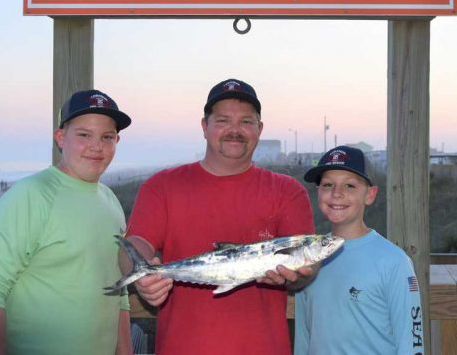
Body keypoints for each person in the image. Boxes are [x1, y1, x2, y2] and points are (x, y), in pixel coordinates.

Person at [123, 78, 315, 355]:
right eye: (223, 120)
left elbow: (308, 267)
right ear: (205, 126)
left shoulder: (288, 191)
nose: (235, 130)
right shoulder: (161, 186)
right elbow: (137, 242)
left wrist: (297, 275)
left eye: (246, 122)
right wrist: (140, 274)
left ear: (259, 129)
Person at [0, 89, 133, 355]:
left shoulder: (110, 201)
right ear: (60, 138)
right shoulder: (31, 194)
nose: (97, 146)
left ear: (117, 141)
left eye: (107, 137)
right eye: (84, 135)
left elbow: (118, 290)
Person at [295, 146, 424, 355]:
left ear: (370, 194)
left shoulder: (394, 262)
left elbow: (411, 341)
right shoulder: (308, 257)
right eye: (328, 184)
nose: (337, 193)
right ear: (318, 192)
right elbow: (303, 336)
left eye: (350, 185)